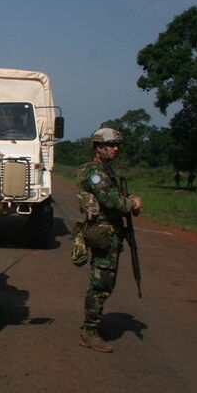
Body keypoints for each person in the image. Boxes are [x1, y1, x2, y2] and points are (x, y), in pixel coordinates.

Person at [75, 128, 143, 353]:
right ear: (98, 147)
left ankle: (92, 326)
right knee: (101, 283)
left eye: (117, 145)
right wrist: (132, 203)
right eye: (111, 145)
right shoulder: (95, 173)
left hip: (109, 231)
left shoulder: (105, 170)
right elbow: (112, 201)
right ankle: (89, 331)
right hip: (102, 232)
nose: (116, 149)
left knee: (104, 281)